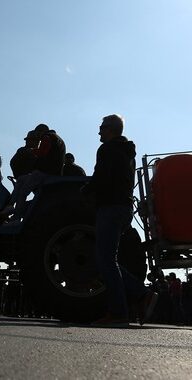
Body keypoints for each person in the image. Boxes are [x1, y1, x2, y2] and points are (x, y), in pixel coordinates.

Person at [81, 114, 158, 327]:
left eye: (102, 127)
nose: (99, 131)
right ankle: (142, 296)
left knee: (105, 260)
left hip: (110, 207)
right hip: (123, 208)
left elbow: (101, 178)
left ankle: (119, 312)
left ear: (111, 129)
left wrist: (85, 191)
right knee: (107, 260)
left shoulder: (106, 150)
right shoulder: (127, 152)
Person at [2, 124, 66, 223]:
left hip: (44, 172)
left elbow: (42, 152)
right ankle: (11, 206)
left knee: (23, 192)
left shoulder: (47, 137)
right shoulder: (57, 139)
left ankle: (16, 217)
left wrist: (32, 151)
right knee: (22, 180)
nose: (37, 138)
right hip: (50, 172)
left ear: (40, 132)